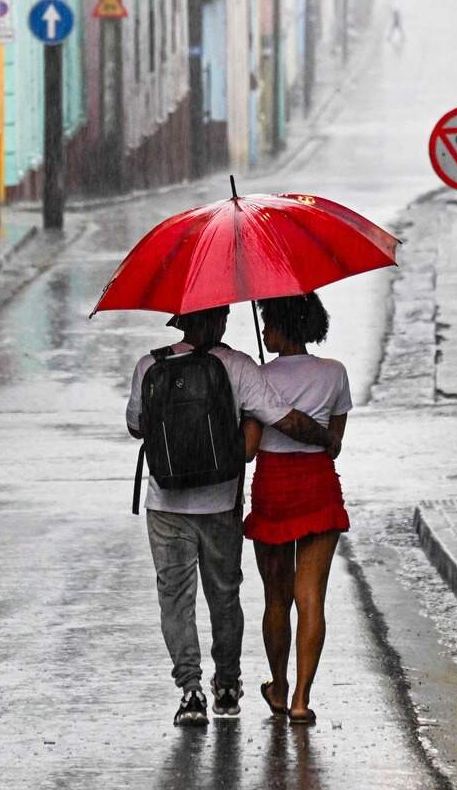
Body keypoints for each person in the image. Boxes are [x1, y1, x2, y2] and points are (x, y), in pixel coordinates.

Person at [126, 304, 338, 728]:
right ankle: (227, 684)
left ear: (179, 321)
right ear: (221, 319)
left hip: (165, 504)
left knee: (176, 600)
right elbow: (282, 420)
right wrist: (326, 438)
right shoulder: (237, 365)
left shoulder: (150, 364)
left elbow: (136, 425)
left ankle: (190, 692)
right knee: (224, 595)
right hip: (220, 502)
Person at [243, 293, 352, 726]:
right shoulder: (334, 373)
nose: (265, 330)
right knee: (311, 599)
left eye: (269, 322)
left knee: (276, 598)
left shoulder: (258, 378)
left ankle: (278, 684)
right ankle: (303, 699)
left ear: (285, 325)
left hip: (273, 486)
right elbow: (335, 444)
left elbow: (250, 450)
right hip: (318, 486)